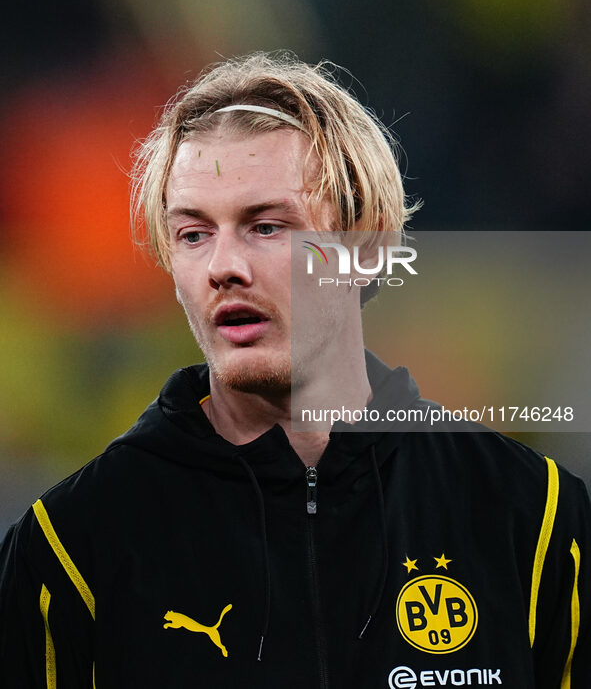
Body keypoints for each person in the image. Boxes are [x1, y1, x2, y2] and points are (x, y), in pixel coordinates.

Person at [0, 52, 589, 688]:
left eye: (267, 226)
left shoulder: (534, 515)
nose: (225, 266)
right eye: (193, 234)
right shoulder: (68, 546)